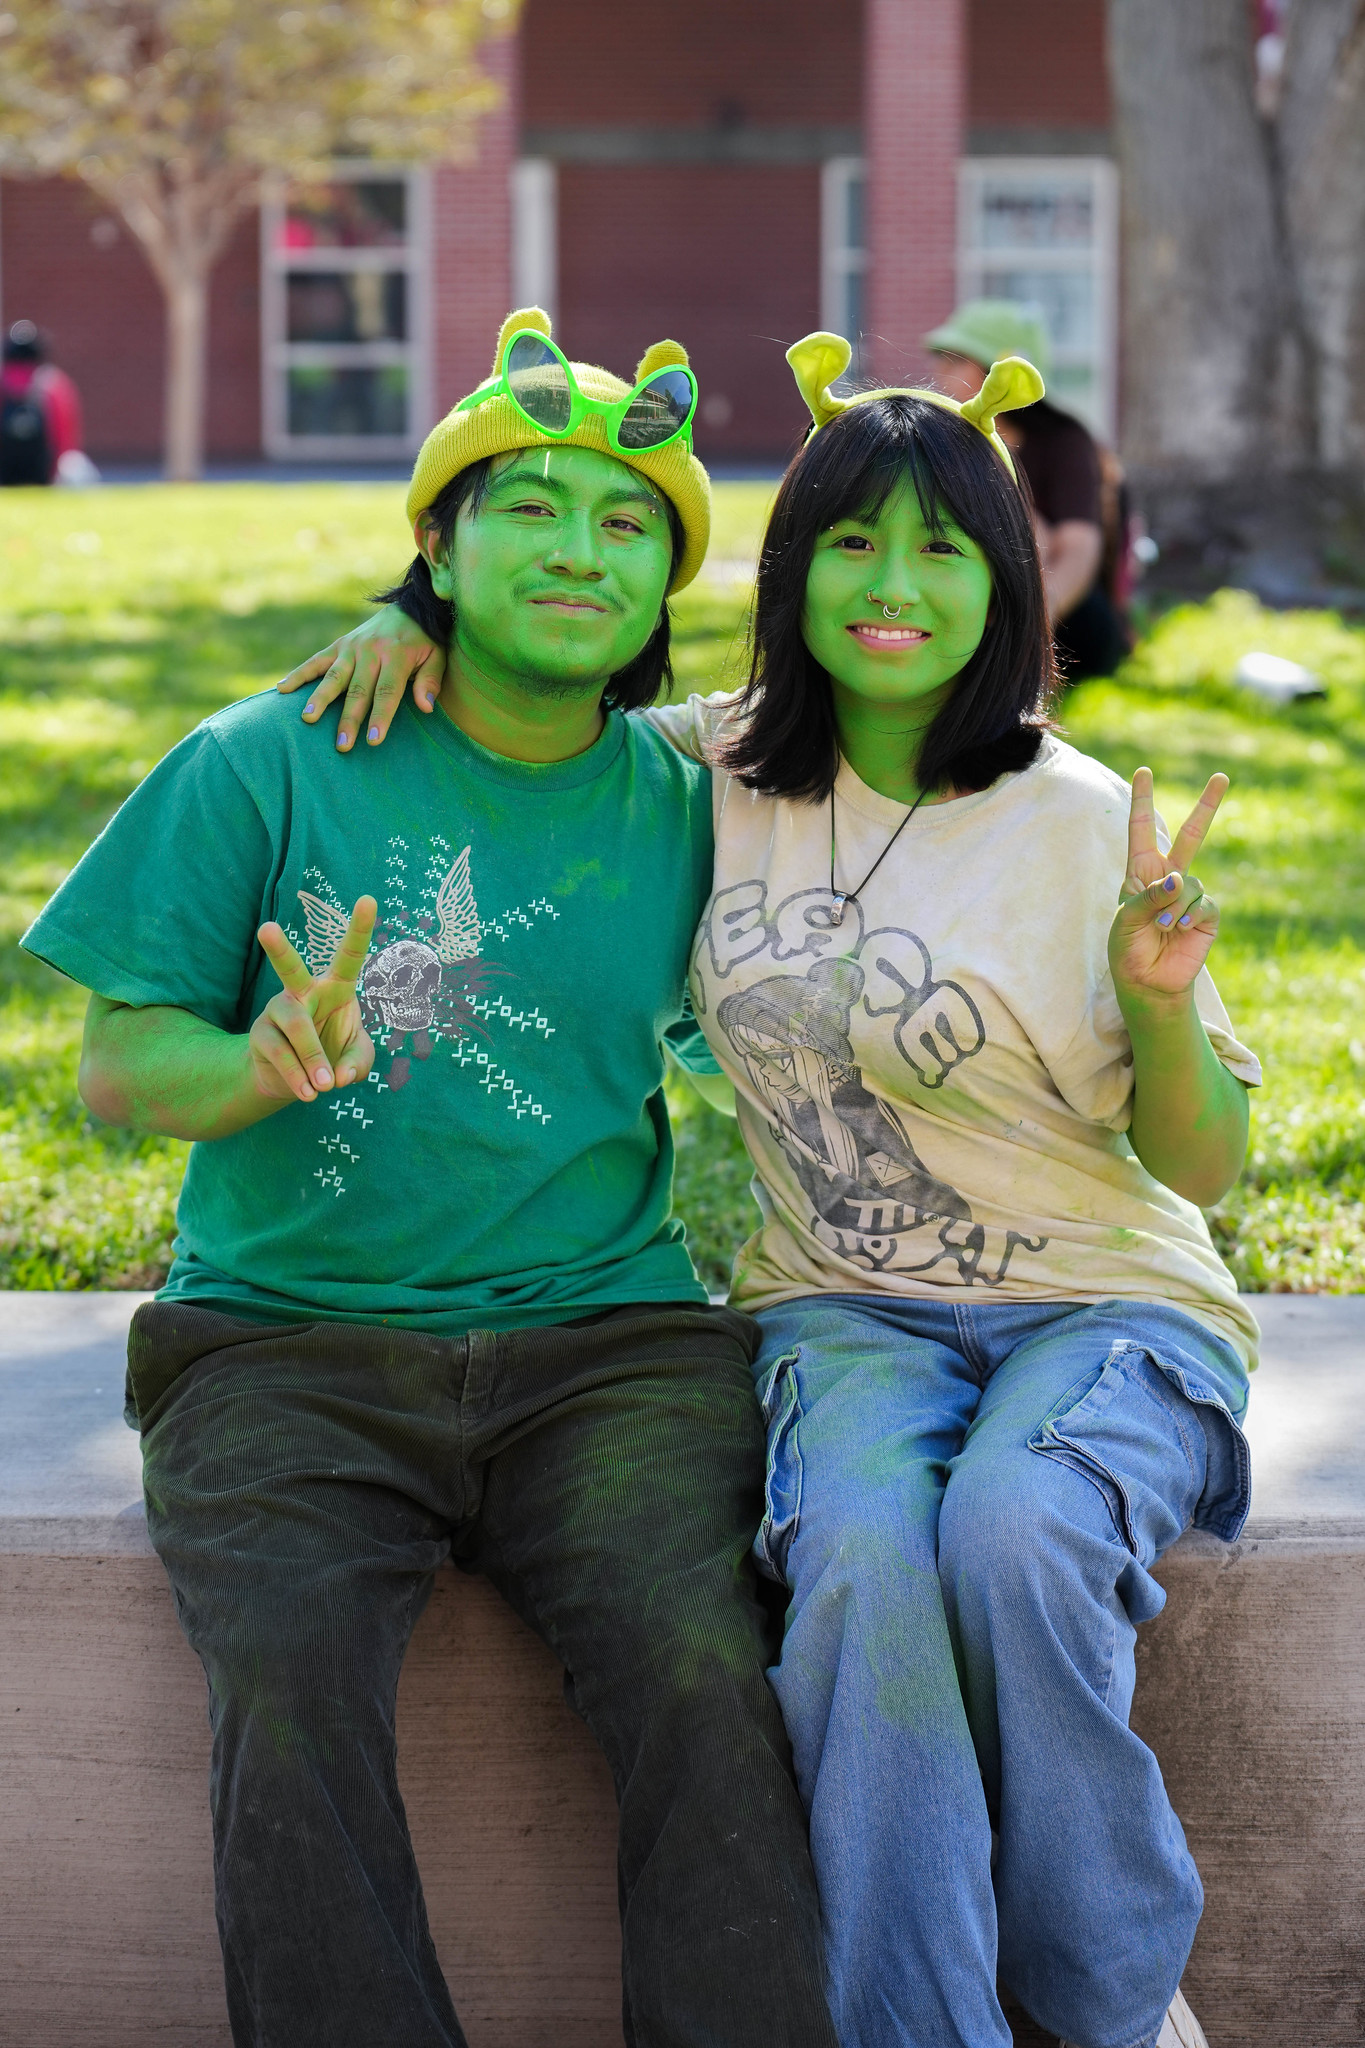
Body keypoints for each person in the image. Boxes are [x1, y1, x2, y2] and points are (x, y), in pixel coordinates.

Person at [283, 332, 1259, 2048]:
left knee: (1017, 1532)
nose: (895, 584)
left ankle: (1109, 2000)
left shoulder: (1085, 815)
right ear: (788, 572)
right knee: (866, 1570)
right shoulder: (697, 770)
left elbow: (1197, 1164)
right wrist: (411, 618)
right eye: (851, 542)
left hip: (1105, 1304)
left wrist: (1165, 1006)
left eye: (945, 545)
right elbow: (526, 700)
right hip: (843, 1307)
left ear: (1009, 581)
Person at [20, 307, 840, 2048]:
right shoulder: (269, 755)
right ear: (440, 550)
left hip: (604, 1345)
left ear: (664, 586)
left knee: (709, 1664)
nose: (576, 547)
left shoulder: (702, 802)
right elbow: (114, 1057)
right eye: (526, 506)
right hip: (281, 1346)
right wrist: (247, 1065)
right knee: (292, 1683)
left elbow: (894, 698)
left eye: (628, 523)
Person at [925, 298, 1130, 681]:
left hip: (1064, 617)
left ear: (997, 372)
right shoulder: (944, 439)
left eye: (953, 360)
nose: (938, 370)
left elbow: (1076, 550)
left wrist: (1029, 623)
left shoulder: (1064, 441)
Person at [0, 320, 98, 486]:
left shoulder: (5, 382)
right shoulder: (54, 384)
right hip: (44, 476)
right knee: (75, 465)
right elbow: (67, 440)